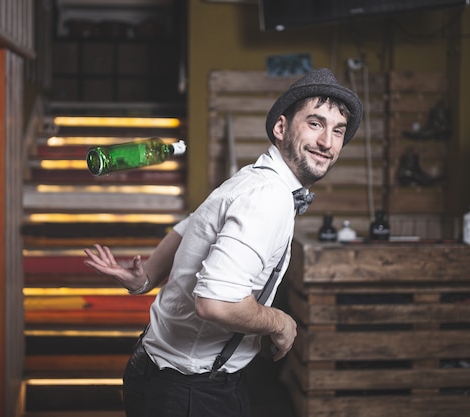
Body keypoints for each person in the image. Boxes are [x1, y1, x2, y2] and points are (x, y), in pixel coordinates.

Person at [83, 67, 362, 417]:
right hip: (189, 392)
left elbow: (190, 225)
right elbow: (215, 303)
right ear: (281, 127)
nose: (328, 142)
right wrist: (281, 322)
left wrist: (145, 277)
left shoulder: (248, 179)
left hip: (153, 368)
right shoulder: (268, 196)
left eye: (338, 131)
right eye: (315, 123)